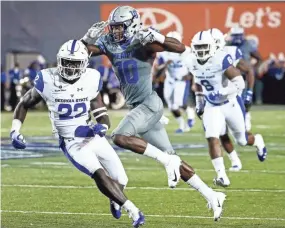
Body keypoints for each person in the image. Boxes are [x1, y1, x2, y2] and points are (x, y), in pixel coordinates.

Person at [81, 5, 226, 221]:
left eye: (120, 27)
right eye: (113, 28)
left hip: (149, 104)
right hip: (139, 107)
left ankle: (168, 163)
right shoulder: (109, 43)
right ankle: (212, 195)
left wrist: (157, 35)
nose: (115, 32)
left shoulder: (142, 40)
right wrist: (85, 39)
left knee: (120, 137)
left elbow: (179, 48)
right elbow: (81, 54)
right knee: (172, 157)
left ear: (131, 25)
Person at [10, 40, 145, 228]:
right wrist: (15, 130)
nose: (70, 67)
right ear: (59, 60)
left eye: (74, 63)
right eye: (66, 62)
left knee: (121, 179)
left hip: (90, 133)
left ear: (84, 63)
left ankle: (115, 198)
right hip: (71, 140)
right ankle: (132, 209)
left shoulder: (91, 78)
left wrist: (103, 127)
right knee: (98, 173)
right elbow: (24, 103)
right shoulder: (47, 79)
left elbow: (100, 111)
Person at [186, 31, 267, 188]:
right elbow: (197, 83)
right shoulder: (191, 61)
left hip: (230, 102)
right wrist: (199, 100)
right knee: (212, 136)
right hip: (211, 104)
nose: (201, 50)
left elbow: (240, 83)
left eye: (204, 46)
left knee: (242, 140)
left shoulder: (221, 58)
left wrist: (223, 92)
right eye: (198, 47)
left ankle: (257, 141)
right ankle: (222, 175)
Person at [209, 28, 261, 171]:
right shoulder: (202, 57)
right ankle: (234, 161)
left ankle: (258, 141)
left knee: (242, 140)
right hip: (215, 100)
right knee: (219, 132)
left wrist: (249, 92)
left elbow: (249, 70)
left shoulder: (230, 52)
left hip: (232, 97)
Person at [153, 31, 195, 133]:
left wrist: (191, 77)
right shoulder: (163, 53)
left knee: (179, 104)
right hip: (170, 80)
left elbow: (195, 67)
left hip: (181, 80)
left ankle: (190, 115)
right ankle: (182, 125)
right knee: (171, 106)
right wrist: (165, 65)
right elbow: (157, 70)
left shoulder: (187, 52)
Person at [227, 25, 263, 129]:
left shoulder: (248, 44)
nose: (237, 38)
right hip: (231, 76)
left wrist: (254, 69)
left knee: (246, 99)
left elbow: (259, 58)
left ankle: (246, 116)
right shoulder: (227, 45)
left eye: (239, 35)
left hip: (245, 74)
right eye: (235, 35)